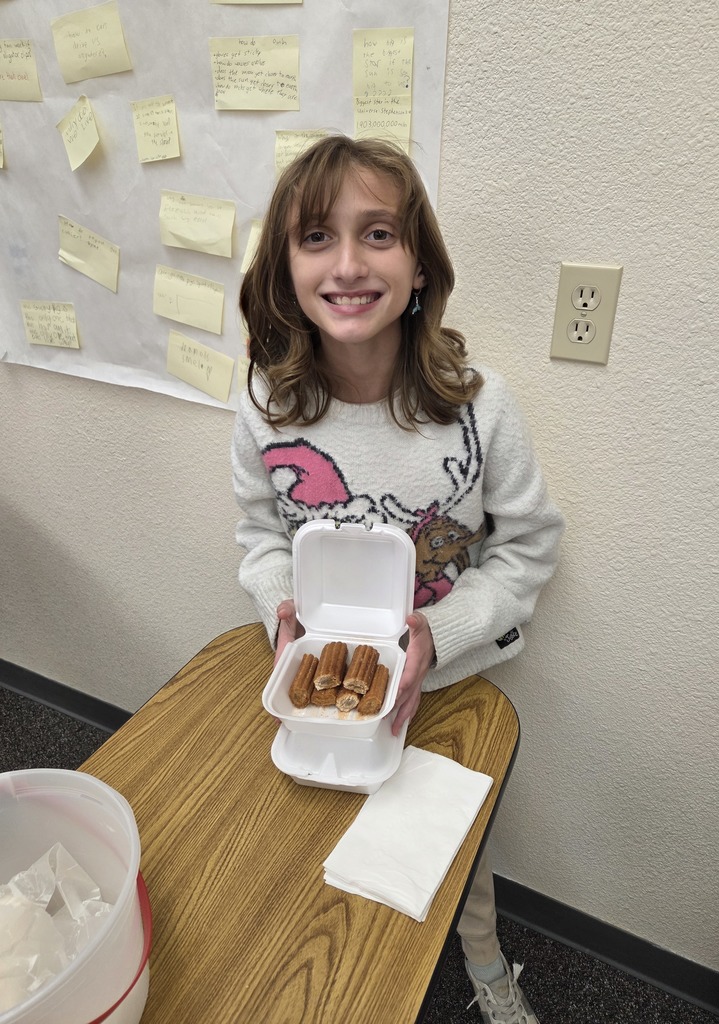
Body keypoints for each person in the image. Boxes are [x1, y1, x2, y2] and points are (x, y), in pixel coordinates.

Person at [231, 133, 564, 1024]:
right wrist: (282, 613)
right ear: (285, 269)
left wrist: (440, 634)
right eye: (315, 238)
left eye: (378, 234)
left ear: (419, 265)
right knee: (314, 843)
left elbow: (530, 546)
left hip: (447, 682)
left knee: (453, 848)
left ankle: (487, 966)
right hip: (317, 677)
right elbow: (260, 537)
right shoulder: (268, 405)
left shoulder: (477, 404)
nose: (348, 264)